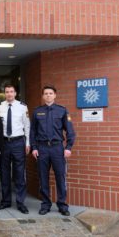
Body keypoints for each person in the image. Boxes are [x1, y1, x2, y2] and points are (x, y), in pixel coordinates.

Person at [30, 85, 76, 216]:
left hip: (57, 148)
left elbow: (70, 131)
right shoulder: (37, 111)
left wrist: (68, 147)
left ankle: (62, 205)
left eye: (50, 93)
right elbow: (32, 132)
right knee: (43, 177)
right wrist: (34, 147)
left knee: (60, 176)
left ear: (55, 95)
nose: (48, 95)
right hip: (42, 148)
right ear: (43, 96)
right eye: (46, 93)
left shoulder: (62, 111)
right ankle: (45, 204)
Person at [0, 85, 31, 214]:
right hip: (4, 143)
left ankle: (20, 203)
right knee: (4, 174)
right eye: (7, 92)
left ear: (15, 93)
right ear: (4, 94)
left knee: (19, 174)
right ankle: (6, 201)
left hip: (18, 142)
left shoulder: (23, 107)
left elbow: (27, 126)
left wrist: (27, 143)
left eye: (11, 92)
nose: (9, 94)